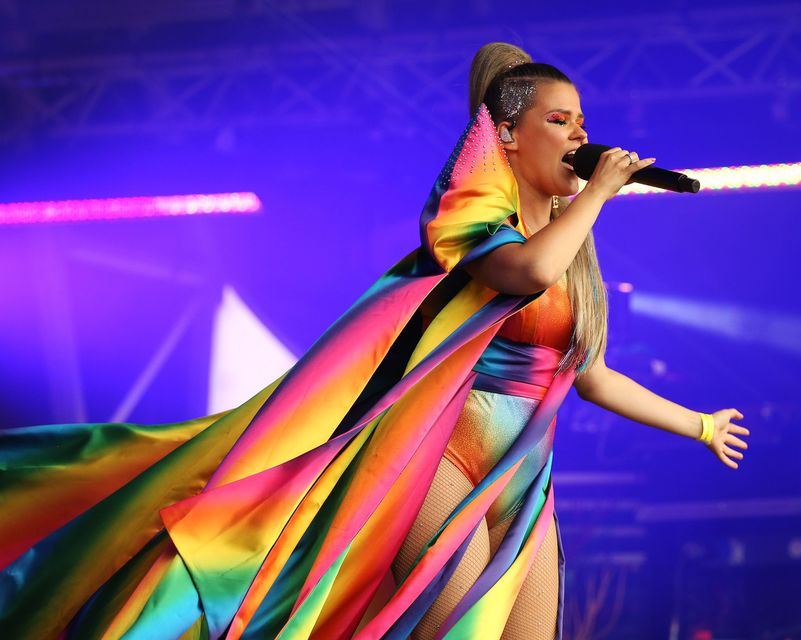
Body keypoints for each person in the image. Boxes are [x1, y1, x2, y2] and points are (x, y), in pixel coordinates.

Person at [0, 42, 750, 640]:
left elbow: (591, 378)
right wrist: (595, 196)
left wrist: (699, 424)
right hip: (439, 453)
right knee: (455, 619)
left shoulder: (575, 252)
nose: (581, 136)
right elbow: (523, 271)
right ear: (510, 136)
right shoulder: (469, 220)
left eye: (583, 123)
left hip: (521, 480)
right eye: (561, 121)